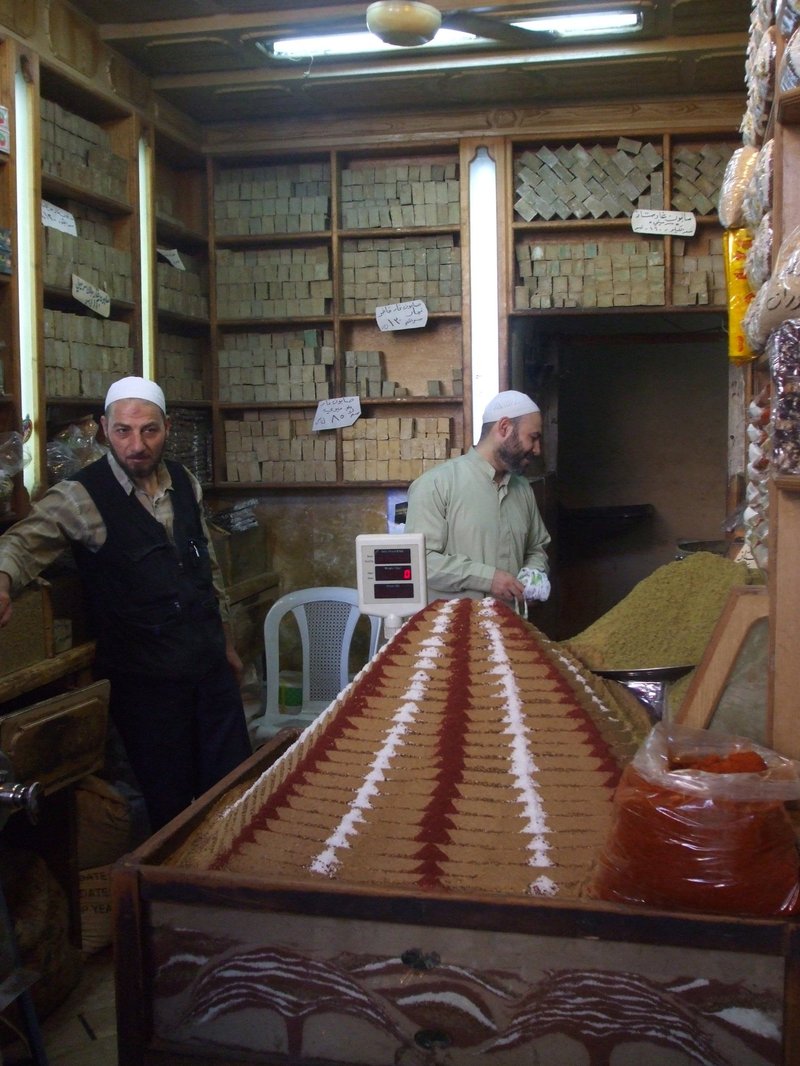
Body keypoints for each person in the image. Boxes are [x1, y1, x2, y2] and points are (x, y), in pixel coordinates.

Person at [0, 377, 252, 832]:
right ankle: (178, 897)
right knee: (171, 809)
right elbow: (21, 545)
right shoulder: (81, 496)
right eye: (123, 431)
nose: (136, 444)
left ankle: (232, 890)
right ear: (104, 428)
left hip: (209, 670)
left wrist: (228, 645)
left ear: (167, 427)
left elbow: (208, 574)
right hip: (146, 686)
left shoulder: (184, 481)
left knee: (233, 793)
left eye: (149, 431)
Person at [405, 389, 551, 606]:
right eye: (533, 438)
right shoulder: (436, 485)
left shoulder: (523, 489)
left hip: (511, 629)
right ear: (504, 427)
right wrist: (488, 579)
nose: (537, 450)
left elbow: (536, 546)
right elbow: (419, 561)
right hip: (453, 633)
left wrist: (533, 574)